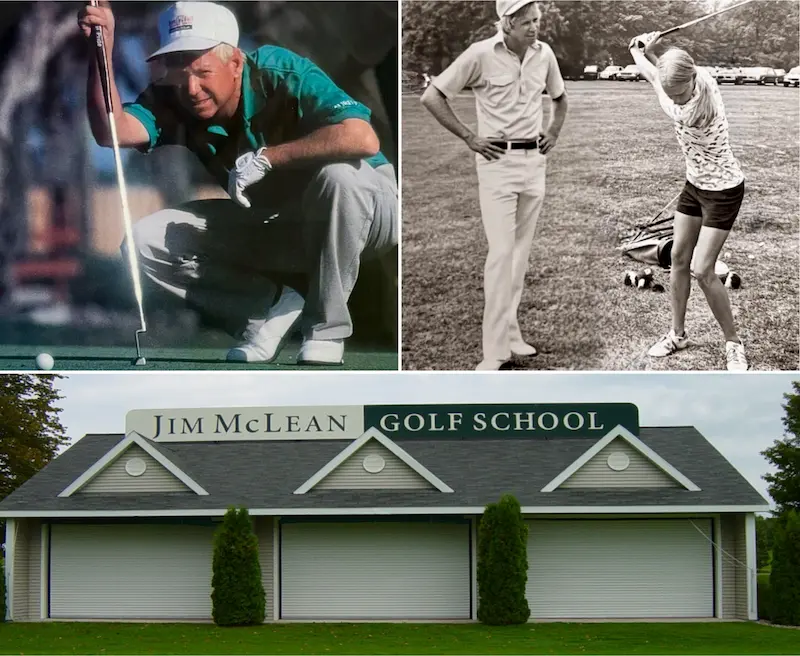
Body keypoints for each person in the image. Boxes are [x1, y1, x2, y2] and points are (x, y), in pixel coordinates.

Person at [77, 1, 398, 366]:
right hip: (280, 223)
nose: (192, 88)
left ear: (235, 63)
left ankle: (325, 331)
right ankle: (266, 314)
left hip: (370, 213)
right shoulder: (174, 96)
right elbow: (111, 131)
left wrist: (269, 157)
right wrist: (100, 49)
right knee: (144, 242)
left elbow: (362, 138)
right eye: (180, 72)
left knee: (338, 176)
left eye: (203, 72)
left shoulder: (280, 70)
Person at [421, 0, 568, 371]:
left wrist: (552, 131)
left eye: (536, 21)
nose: (534, 28)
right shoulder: (480, 54)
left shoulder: (544, 53)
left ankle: (512, 334)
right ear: (506, 22)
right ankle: (495, 352)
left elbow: (560, 98)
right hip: (496, 164)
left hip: (534, 163)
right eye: (526, 23)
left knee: (519, 256)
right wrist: (469, 137)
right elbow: (432, 96)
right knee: (501, 253)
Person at [629, 32, 748, 371]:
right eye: (672, 93)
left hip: (723, 191)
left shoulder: (690, 108)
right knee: (679, 259)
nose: (675, 98)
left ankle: (733, 344)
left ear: (690, 82)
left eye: (677, 92)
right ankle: (677, 334)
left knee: (702, 269)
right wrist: (653, 51)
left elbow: (654, 76)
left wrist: (636, 51)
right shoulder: (698, 75)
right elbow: (664, 73)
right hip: (695, 185)